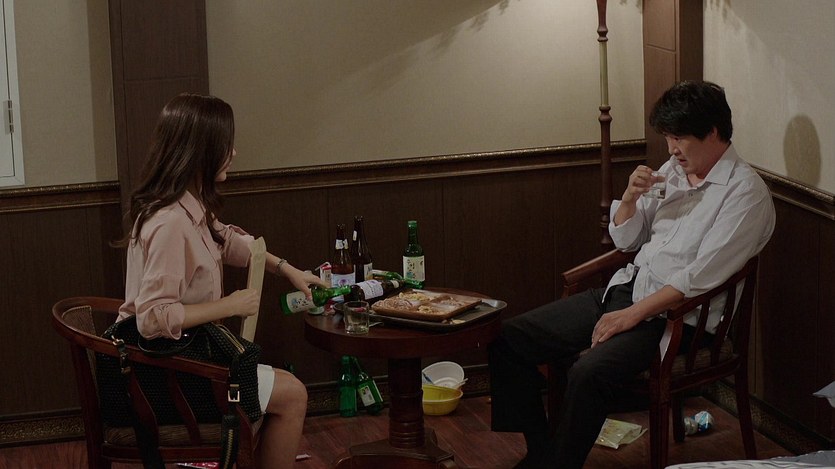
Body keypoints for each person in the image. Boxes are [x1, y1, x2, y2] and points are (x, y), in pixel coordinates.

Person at [488, 81, 776, 468]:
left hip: (679, 318)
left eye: (679, 138)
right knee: (509, 339)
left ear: (712, 132)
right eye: (667, 137)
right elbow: (628, 238)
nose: (671, 149)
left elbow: (697, 279)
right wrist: (629, 198)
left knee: (588, 372)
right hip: (628, 289)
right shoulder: (674, 171)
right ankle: (542, 452)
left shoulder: (744, 194)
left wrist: (630, 316)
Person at [114, 93, 327, 468]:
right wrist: (229, 305)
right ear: (201, 151)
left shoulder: (188, 205)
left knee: (281, 389)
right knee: (292, 395)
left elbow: (228, 241)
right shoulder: (170, 223)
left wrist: (287, 270)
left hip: (181, 361)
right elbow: (152, 319)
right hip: (166, 374)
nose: (234, 153)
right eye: (226, 145)